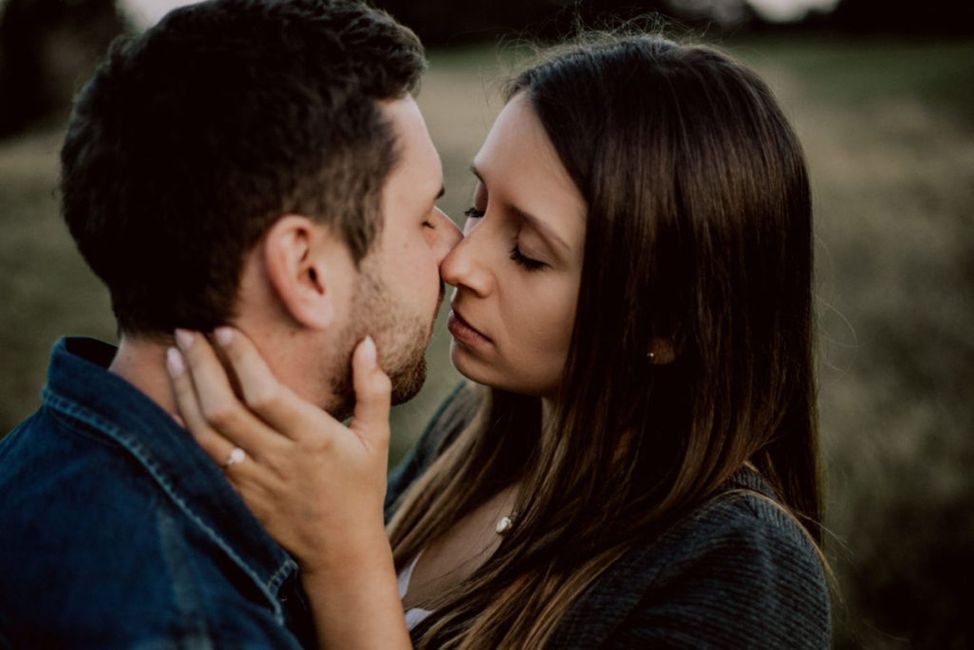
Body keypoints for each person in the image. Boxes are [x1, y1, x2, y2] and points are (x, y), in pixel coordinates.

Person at [166, 33, 833, 649]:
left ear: (665, 328)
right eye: (477, 205)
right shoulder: (468, 438)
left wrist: (345, 560)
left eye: (528, 253)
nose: (458, 263)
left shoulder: (737, 568)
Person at [0, 0, 460, 647]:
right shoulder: (189, 624)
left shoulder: (40, 465)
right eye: (424, 216)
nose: (453, 250)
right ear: (305, 270)